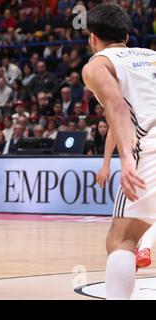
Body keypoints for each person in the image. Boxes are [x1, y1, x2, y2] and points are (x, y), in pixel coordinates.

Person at [82, 3, 156, 299]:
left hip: (149, 148)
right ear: (127, 33)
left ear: (91, 37)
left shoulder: (98, 65)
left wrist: (125, 157)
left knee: (121, 241)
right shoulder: (152, 56)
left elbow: (117, 107)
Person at [96, 128, 156, 270]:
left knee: (119, 236)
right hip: (142, 158)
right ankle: (143, 248)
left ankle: (140, 250)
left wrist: (106, 164)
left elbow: (113, 129)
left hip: (143, 160)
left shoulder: (123, 107)